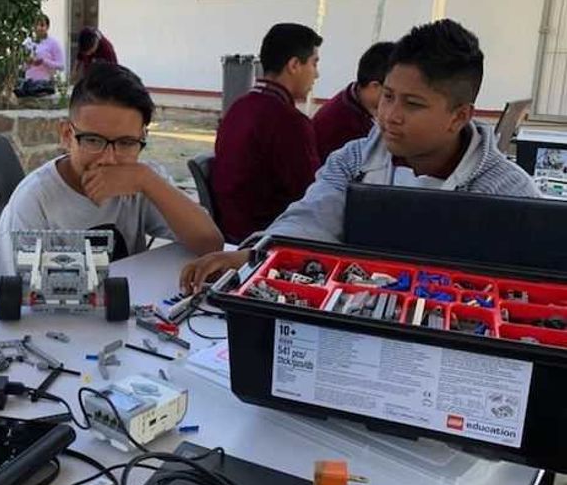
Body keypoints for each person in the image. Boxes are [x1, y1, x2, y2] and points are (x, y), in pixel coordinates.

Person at [181, 18, 540, 292]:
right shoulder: (353, 160)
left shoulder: (507, 190)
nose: (390, 115)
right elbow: (309, 219)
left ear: (460, 116)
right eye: (387, 96)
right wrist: (253, 256)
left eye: (412, 104)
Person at [0, 62, 222, 279]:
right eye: (93, 140)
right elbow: (20, 300)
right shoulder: (34, 201)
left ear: (142, 139)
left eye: (126, 143)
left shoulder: (140, 180)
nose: (109, 159)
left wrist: (147, 181)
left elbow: (210, 243)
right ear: (67, 135)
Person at [212, 23, 323, 243]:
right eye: (314, 63)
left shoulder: (238, 107)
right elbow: (311, 196)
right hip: (266, 238)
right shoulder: (288, 121)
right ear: (294, 65)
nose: (317, 74)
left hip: (229, 228)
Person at [312, 41, 395, 162]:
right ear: (374, 86)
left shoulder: (357, 100)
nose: (397, 102)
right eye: (390, 94)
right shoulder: (341, 124)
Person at [15, 13, 65, 97]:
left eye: (42, 25)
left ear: (47, 27)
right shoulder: (28, 42)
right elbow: (21, 66)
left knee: (39, 89)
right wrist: (28, 62)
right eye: (36, 26)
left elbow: (61, 66)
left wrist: (44, 61)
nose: (39, 28)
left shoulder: (53, 43)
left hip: (45, 82)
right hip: (29, 81)